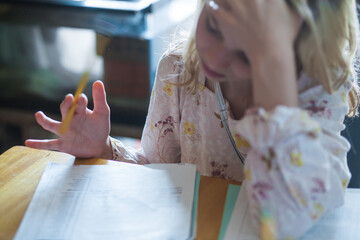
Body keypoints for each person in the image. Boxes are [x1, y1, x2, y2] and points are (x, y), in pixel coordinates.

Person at [25, 0, 359, 238]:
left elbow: (284, 219)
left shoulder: (318, 94)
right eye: (213, 25)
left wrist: (278, 98)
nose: (214, 55)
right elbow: (156, 174)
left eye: (246, 53)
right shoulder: (179, 71)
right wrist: (105, 149)